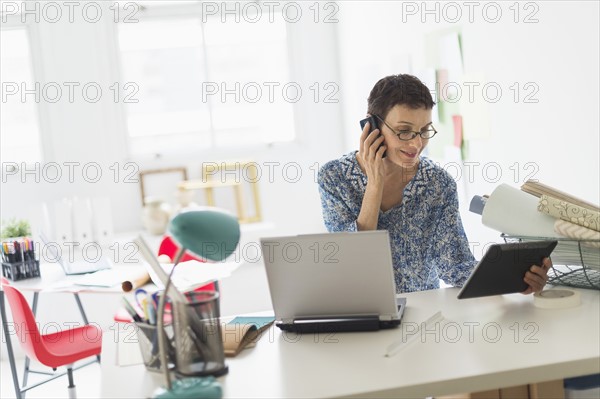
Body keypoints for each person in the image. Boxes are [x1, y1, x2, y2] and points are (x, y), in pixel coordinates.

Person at [317, 74, 551, 293]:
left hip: (422, 318)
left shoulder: (438, 184)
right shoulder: (334, 177)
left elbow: (456, 267)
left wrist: (514, 279)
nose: (416, 144)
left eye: (424, 130)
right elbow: (351, 261)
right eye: (404, 131)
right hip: (359, 313)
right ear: (372, 127)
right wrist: (375, 183)